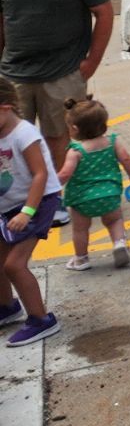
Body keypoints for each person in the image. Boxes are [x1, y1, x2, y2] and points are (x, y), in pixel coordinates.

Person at [0, 0, 112, 224]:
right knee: (10, 141)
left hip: (62, 72)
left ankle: (55, 199)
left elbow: (104, 13)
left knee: (58, 137)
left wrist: (91, 62)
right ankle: (19, 200)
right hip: (14, 73)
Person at [0, 75, 63, 345]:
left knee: (14, 265)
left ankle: (41, 319)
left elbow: (40, 174)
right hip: (9, 206)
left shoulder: (23, 134)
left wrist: (27, 211)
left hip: (37, 203)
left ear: (5, 108)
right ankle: (7, 307)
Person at [58, 96, 130, 272]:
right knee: (114, 220)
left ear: (75, 128)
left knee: (80, 229)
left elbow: (65, 174)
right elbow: (126, 159)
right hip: (109, 194)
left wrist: (48, 187)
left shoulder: (75, 151)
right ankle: (119, 243)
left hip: (81, 199)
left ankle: (81, 259)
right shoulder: (112, 142)